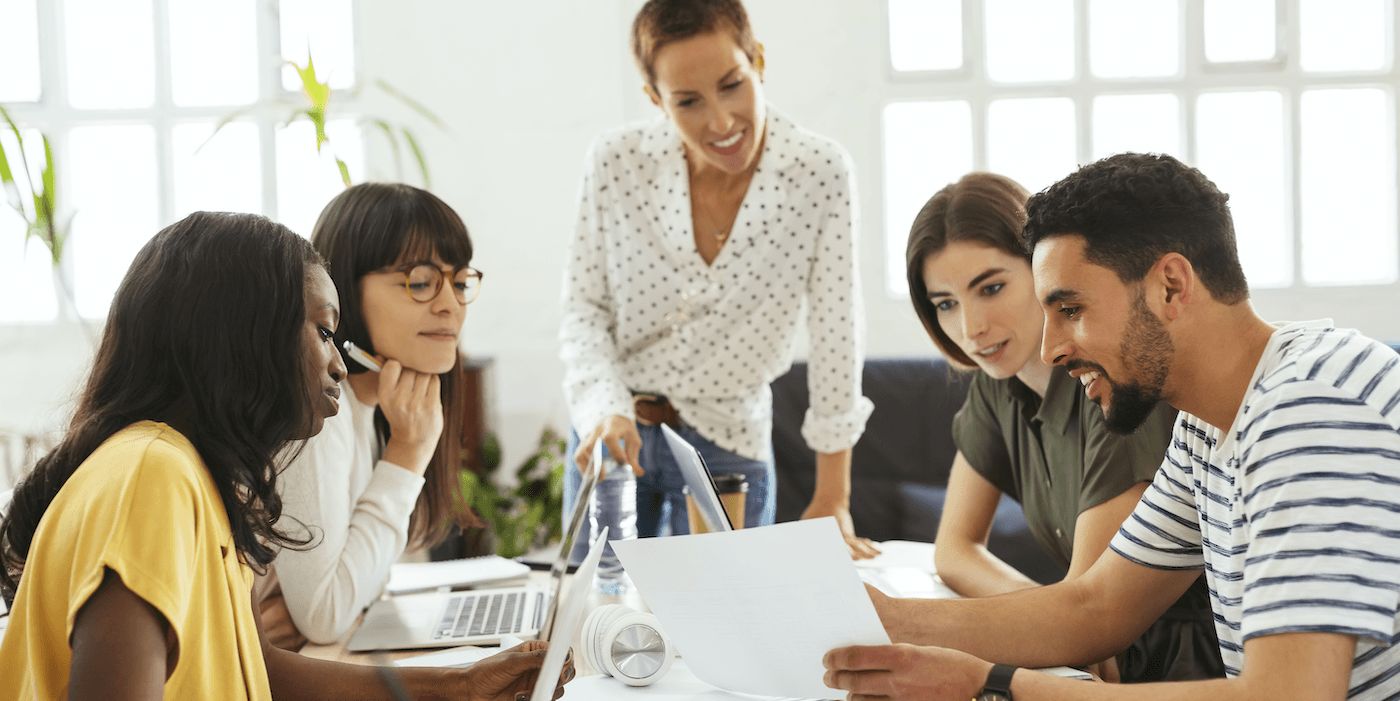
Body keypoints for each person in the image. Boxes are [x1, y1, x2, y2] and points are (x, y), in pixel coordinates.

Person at [822, 152, 1400, 700]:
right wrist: (889, 618)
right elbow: (1093, 608)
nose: (1049, 349)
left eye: (1070, 310)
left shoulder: (1309, 407)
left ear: (1171, 286)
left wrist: (992, 684)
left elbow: (1289, 694)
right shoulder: (1208, 426)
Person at [0, 212, 568, 700]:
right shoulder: (151, 473)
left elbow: (261, 672)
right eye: (323, 331)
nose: (340, 366)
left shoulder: (197, 479)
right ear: (246, 335)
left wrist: (460, 685)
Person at [559, 0, 876, 557]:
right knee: (591, 624)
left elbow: (837, 332)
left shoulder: (820, 173)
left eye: (732, 84)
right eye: (688, 101)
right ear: (656, 99)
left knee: (722, 634)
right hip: (613, 434)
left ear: (757, 60)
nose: (722, 121)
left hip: (729, 444)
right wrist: (605, 407)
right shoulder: (616, 162)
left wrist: (834, 494)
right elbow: (584, 310)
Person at [905, 172, 1222, 683]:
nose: (971, 327)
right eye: (945, 303)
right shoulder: (995, 387)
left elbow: (1090, 610)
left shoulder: (1114, 382)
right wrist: (1042, 615)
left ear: (1041, 271)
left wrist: (1054, 623)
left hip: (1187, 665)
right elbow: (954, 550)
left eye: (990, 288)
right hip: (1094, 649)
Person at [258, 182, 485, 647]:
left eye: (459, 282)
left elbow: (357, 590)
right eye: (420, 281)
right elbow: (327, 616)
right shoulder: (315, 419)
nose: (449, 304)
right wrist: (410, 451)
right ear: (340, 287)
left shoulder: (371, 406)